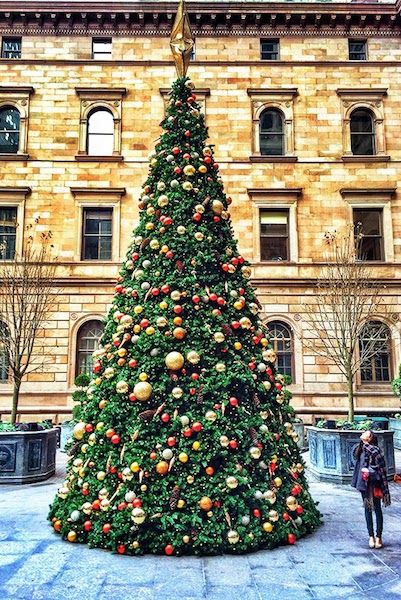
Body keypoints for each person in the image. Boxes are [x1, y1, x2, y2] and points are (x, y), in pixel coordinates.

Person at [351, 430, 391, 549]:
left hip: (374, 483)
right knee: (368, 509)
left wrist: (370, 472)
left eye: (366, 433)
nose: (363, 433)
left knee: (377, 509)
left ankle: (379, 536)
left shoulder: (375, 450)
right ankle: (371, 536)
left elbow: (381, 468)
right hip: (364, 484)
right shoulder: (360, 449)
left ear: (369, 438)